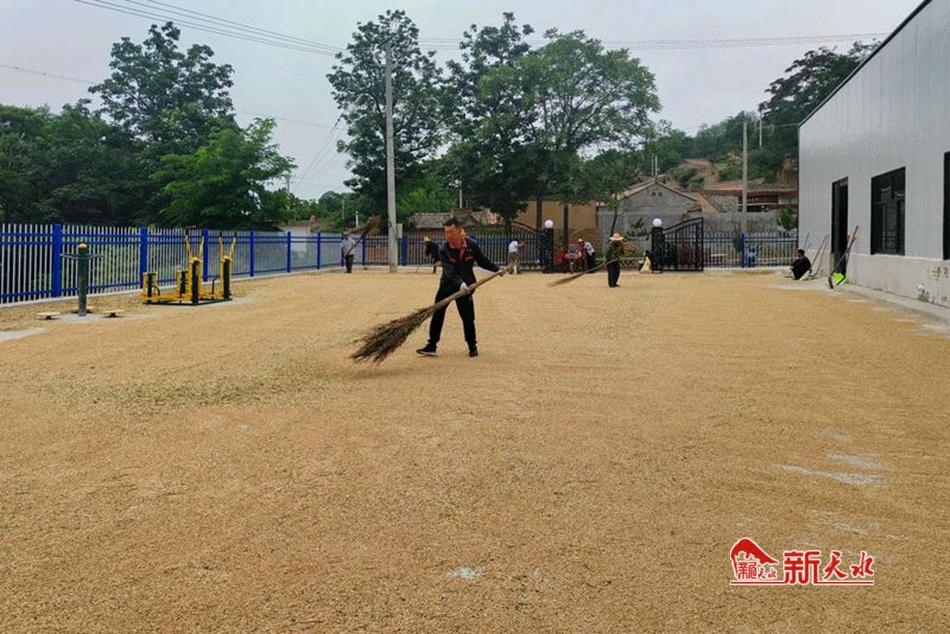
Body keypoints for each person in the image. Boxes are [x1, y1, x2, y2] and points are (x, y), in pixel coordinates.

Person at [417, 218, 503, 358]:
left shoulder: (472, 245)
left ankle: (472, 346)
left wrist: (496, 269)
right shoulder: (444, 249)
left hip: (467, 287)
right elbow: (449, 271)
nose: (448, 235)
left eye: (451, 232)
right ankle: (432, 345)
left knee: (468, 316)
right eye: (446, 232)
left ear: (459, 230)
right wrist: (460, 283)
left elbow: (482, 260)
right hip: (447, 286)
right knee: (438, 314)